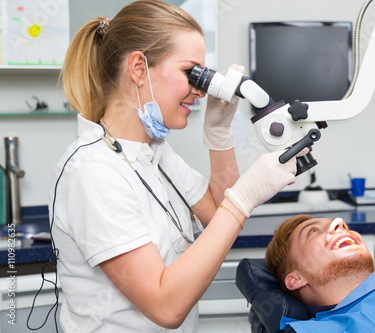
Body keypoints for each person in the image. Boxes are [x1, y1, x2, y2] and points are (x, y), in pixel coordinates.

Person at [49, 1, 304, 332]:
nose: (199, 90)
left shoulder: (153, 151)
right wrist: (243, 200)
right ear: (138, 68)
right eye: (191, 72)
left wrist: (219, 134)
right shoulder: (93, 171)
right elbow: (166, 307)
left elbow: (215, 212)